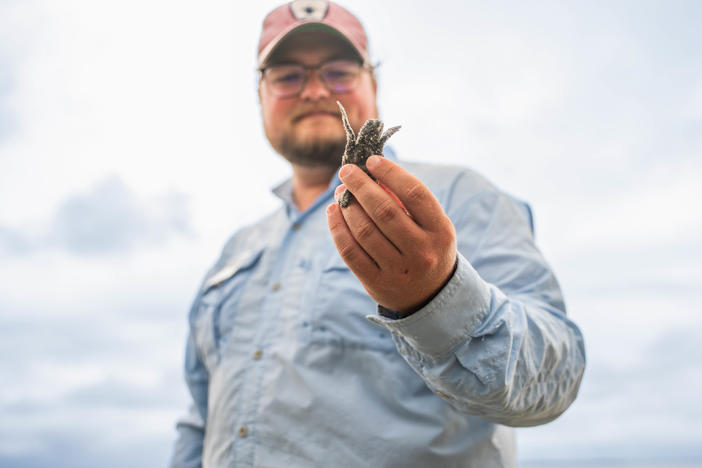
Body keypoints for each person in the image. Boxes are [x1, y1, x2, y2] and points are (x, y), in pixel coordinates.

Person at [169, 1, 586, 467]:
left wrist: (436, 297)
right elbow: (200, 419)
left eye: (339, 72)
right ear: (260, 93)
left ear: (374, 82)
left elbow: (558, 377)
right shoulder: (238, 249)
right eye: (287, 76)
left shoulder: (462, 197)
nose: (314, 90)